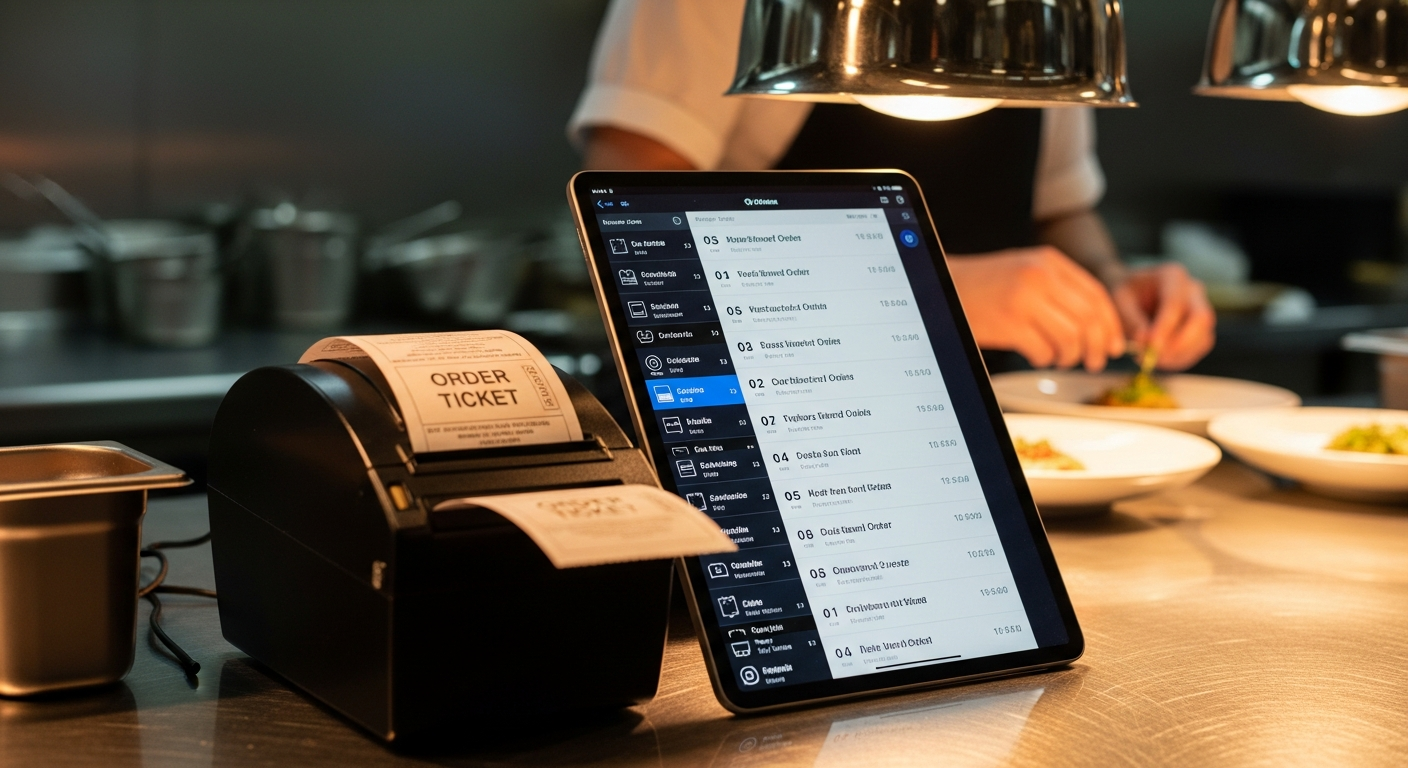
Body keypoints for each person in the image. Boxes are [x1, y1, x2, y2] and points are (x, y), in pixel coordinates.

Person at [567, 0, 1216, 373]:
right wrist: (923, 290)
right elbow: (635, 233)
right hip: (778, 421)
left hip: (999, 430)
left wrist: (1110, 282)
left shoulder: (1051, 18)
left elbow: (1060, 210)